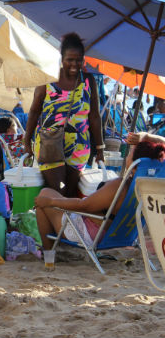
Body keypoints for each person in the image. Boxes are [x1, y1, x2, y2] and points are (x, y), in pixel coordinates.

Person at [35, 140, 165, 251]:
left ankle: (48, 254)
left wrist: (50, 202)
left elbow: (84, 206)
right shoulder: (146, 190)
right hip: (121, 235)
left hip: (92, 233)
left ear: (135, 164)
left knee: (44, 196)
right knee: (51, 196)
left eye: (130, 152)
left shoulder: (120, 186)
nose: (127, 156)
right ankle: (54, 249)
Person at [24, 33, 104, 196]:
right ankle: (56, 220)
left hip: (79, 145)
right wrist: (27, 141)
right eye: (70, 59)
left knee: (71, 193)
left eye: (79, 60)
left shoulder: (89, 81)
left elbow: (94, 116)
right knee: (58, 191)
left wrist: (100, 149)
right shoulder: (48, 78)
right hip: (50, 142)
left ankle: (63, 222)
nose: (74, 64)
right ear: (62, 58)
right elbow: (34, 111)